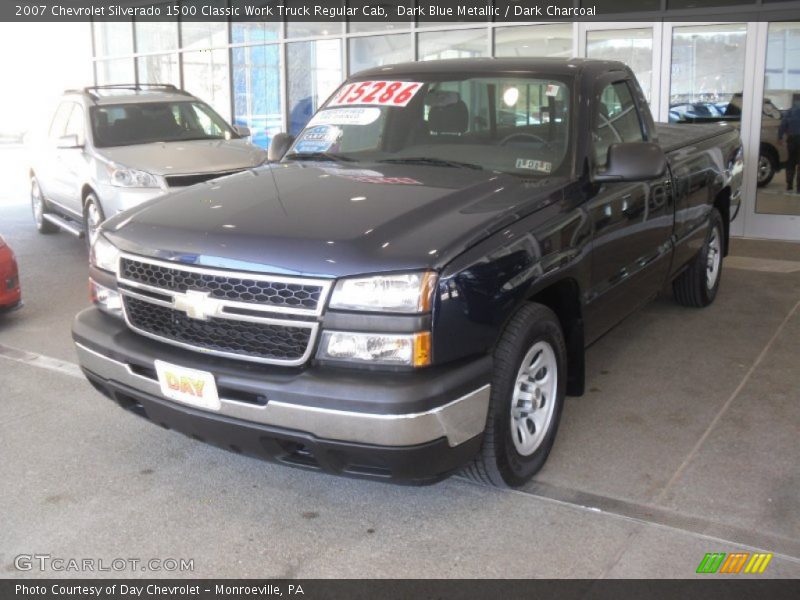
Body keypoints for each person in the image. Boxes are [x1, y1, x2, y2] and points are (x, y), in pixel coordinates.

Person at [778, 95, 800, 192]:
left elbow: (783, 124)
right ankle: (799, 187)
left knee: (790, 161)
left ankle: (789, 185)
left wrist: (779, 137)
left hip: (791, 139)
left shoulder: (790, 111)